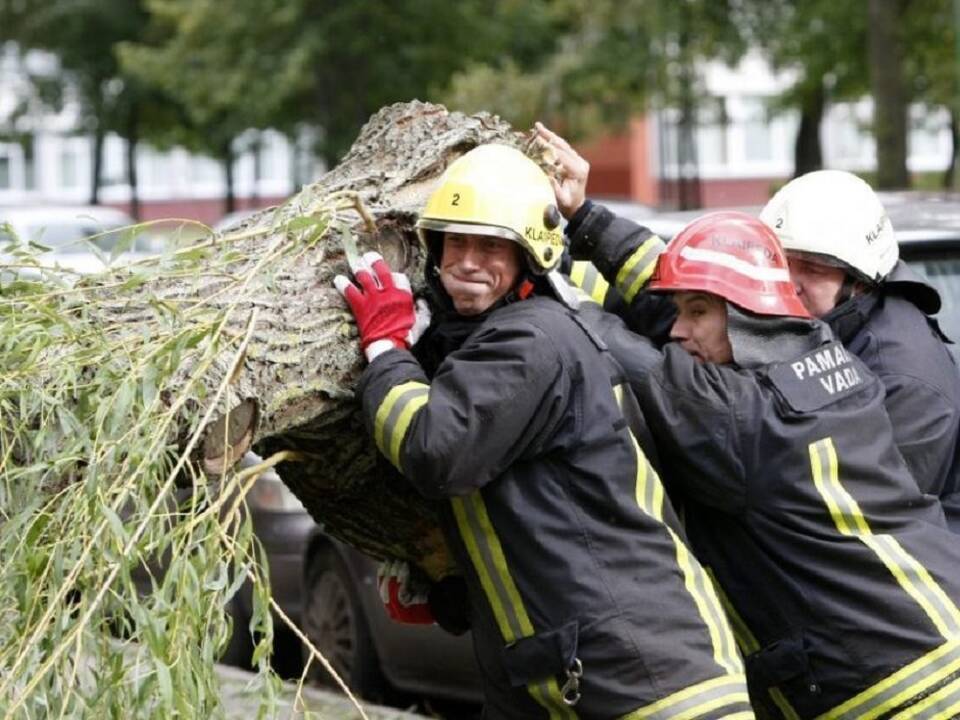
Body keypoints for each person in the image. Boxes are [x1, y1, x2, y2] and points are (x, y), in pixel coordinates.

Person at [334, 144, 753, 719]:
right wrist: (449, 590)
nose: (468, 261)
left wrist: (385, 348)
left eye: (490, 246)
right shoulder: (498, 342)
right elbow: (536, 522)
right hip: (583, 679)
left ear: (532, 254)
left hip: (648, 683)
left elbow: (436, 450)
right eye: (455, 242)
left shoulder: (532, 342)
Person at [562, 208, 960, 718]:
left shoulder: (741, 416)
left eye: (698, 312)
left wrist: (555, 294)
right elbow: (694, 335)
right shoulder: (833, 364)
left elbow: (640, 366)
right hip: (934, 630)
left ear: (749, 317)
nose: (678, 331)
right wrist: (588, 219)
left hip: (892, 686)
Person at [760, 171, 960, 531]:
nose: (790, 283)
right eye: (780, 262)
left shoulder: (904, 379)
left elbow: (869, 520)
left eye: (812, 268)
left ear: (860, 280)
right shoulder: (815, 330)